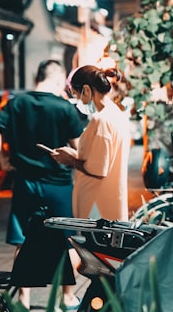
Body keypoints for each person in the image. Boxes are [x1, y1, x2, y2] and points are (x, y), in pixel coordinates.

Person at [0, 60, 87, 309]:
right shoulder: (64, 107)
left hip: (26, 182)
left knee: (24, 241)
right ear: (58, 79)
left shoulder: (18, 103)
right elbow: (78, 147)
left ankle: (23, 299)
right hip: (59, 183)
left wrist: (1, 158)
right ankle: (67, 296)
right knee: (67, 239)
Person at [52, 65, 131, 223]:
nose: (78, 101)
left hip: (97, 209)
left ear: (86, 90)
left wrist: (70, 160)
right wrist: (74, 154)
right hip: (110, 204)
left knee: (93, 248)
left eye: (77, 94)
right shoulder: (116, 114)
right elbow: (104, 157)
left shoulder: (101, 120)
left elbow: (98, 169)